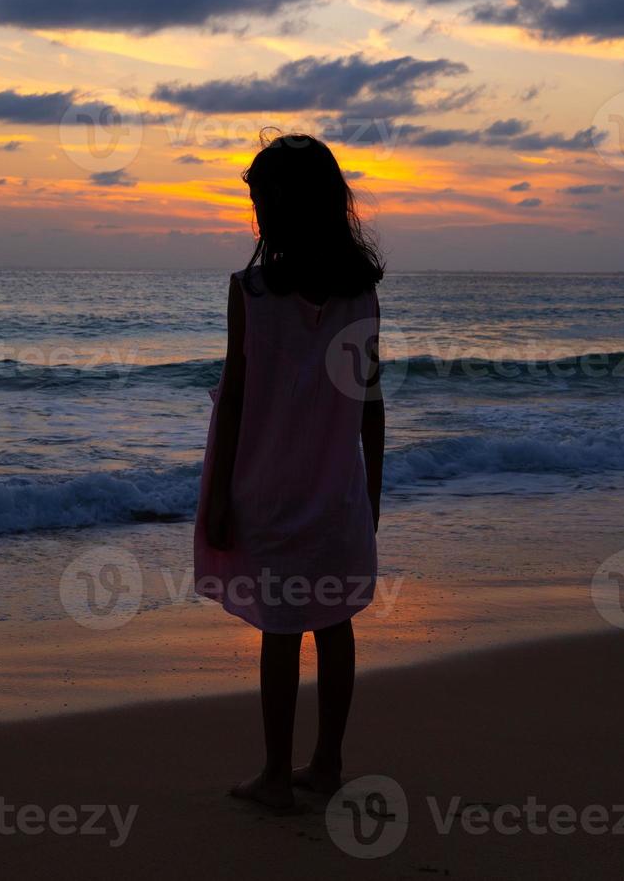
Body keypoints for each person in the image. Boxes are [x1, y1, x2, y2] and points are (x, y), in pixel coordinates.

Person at [194, 133, 386, 811]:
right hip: (337, 496)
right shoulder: (360, 293)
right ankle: (326, 764)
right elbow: (371, 403)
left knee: (281, 634)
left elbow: (239, 398)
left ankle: (278, 773)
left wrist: (218, 497)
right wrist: (372, 495)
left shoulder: (250, 292)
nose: (254, 214)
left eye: (258, 200)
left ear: (277, 207)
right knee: (334, 625)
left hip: (268, 492)